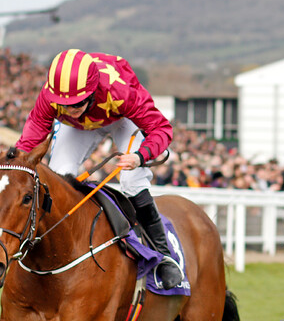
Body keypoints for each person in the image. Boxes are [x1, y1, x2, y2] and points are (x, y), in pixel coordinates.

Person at [15, 49, 183, 289]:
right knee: (59, 176)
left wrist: (140, 156)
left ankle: (164, 257)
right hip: (81, 126)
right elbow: (31, 139)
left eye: (75, 103)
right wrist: (14, 165)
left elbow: (162, 129)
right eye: (64, 104)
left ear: (92, 91)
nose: (70, 108)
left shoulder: (120, 91)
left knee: (132, 180)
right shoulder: (51, 95)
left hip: (121, 119)